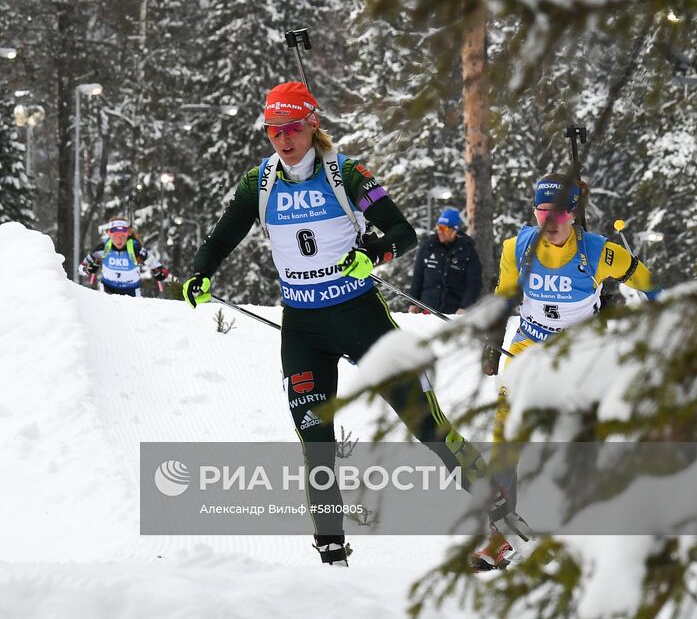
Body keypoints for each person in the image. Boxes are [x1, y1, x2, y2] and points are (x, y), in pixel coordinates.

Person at [181, 81, 492, 567]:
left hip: (360, 318)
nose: (283, 139)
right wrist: (201, 273)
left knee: (427, 425)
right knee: (317, 446)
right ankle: (332, 557)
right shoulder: (259, 183)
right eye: (273, 131)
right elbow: (221, 238)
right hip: (304, 330)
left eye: (291, 128)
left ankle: (498, 511)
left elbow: (403, 232)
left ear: (312, 125)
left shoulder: (345, 173)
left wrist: (374, 253)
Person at [473, 172, 659, 570]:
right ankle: (501, 535)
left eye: (558, 213)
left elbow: (647, 281)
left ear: (574, 213)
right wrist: (492, 343)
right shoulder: (517, 248)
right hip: (528, 345)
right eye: (542, 211)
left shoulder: (599, 252)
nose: (549, 221)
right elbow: (503, 301)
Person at [409, 207, 482, 314]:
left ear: (454, 230)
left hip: (453, 312)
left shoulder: (467, 251)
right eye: (438, 227)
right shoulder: (428, 247)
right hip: (427, 309)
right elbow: (418, 277)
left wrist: (465, 307)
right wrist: (413, 303)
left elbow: (474, 283)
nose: (440, 231)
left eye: (444, 228)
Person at [81, 217, 169, 297]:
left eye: (122, 235)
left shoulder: (135, 247)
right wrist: (88, 269)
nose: (119, 240)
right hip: (108, 288)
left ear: (128, 233)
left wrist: (159, 272)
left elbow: (155, 265)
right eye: (115, 236)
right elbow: (81, 269)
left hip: (131, 290)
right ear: (109, 233)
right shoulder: (103, 247)